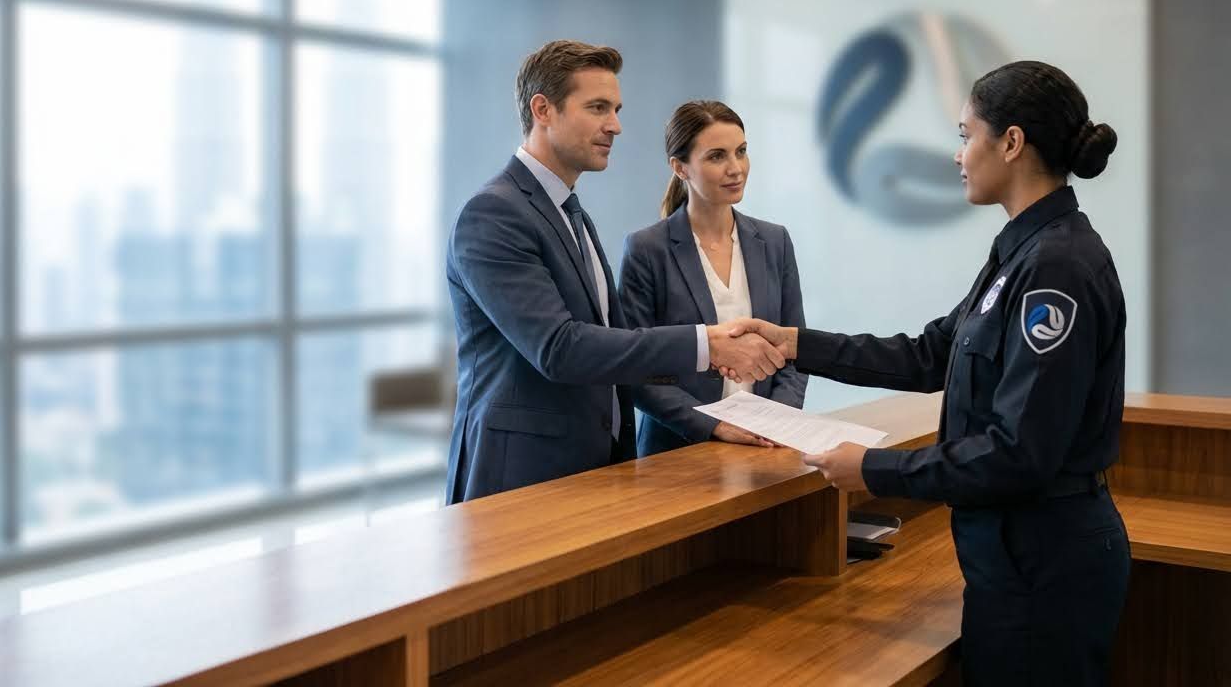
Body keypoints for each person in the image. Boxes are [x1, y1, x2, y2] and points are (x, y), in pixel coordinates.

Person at [727, 61, 1129, 686]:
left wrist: (872, 469)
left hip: (1043, 561)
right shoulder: (1022, 249)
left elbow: (1021, 452)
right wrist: (796, 343)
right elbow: (929, 354)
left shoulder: (1057, 267)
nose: (958, 155)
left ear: (1012, 143)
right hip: (1015, 555)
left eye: (966, 134)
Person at [444, 40, 785, 503]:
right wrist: (706, 344)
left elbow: (617, 341)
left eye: (617, 108)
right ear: (543, 109)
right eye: (598, 108)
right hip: (522, 480)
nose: (616, 126)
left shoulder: (571, 213)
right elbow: (560, 348)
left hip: (594, 471)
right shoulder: (494, 215)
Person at [619, 100, 808, 456]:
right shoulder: (647, 249)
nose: (735, 168)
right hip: (680, 452)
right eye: (717, 156)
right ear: (680, 167)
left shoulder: (774, 241)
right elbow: (636, 369)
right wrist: (716, 427)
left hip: (766, 446)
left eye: (741, 151)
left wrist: (778, 420)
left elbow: (795, 349)